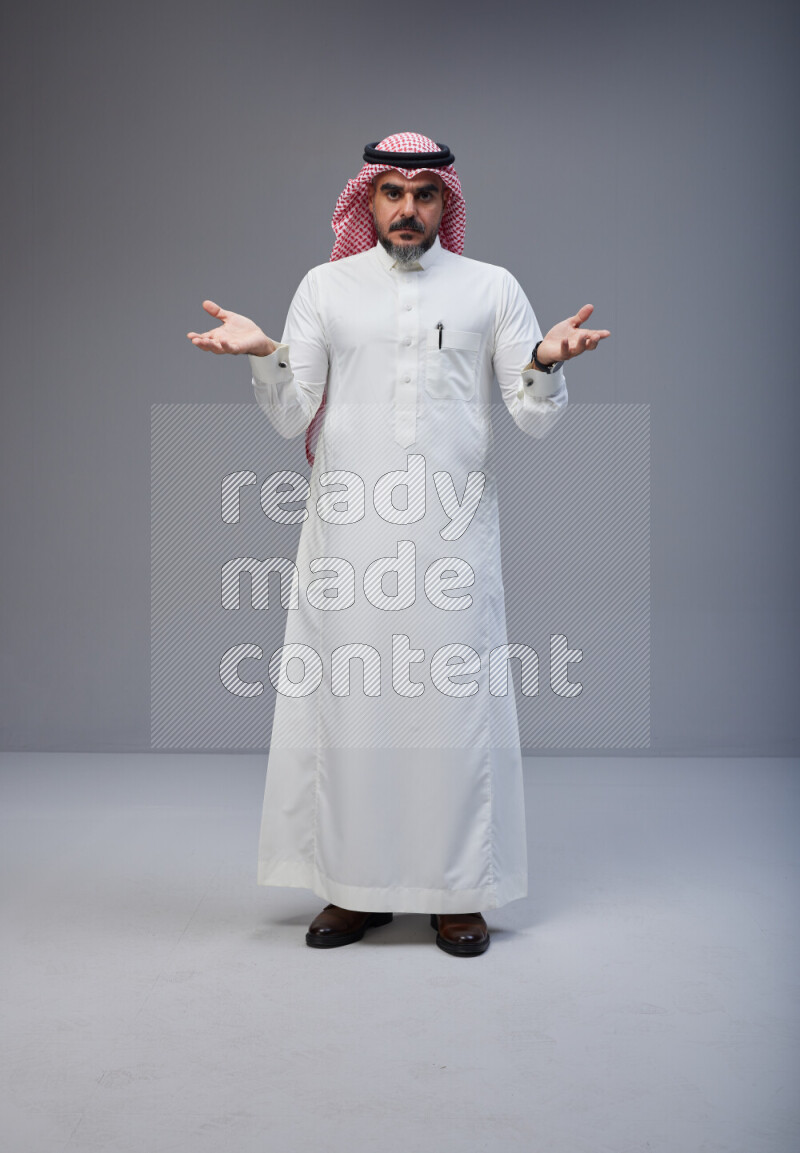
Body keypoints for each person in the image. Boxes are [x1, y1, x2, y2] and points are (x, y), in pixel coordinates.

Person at [188, 132, 610, 957]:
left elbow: (530, 416)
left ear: (447, 201)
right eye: (391, 192)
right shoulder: (326, 286)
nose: (408, 208)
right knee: (351, 709)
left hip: (453, 541)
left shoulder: (491, 287)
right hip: (350, 539)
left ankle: (458, 893)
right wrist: (265, 354)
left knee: (453, 713)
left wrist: (550, 364)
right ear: (367, 201)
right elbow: (289, 412)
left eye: (424, 192)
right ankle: (353, 890)